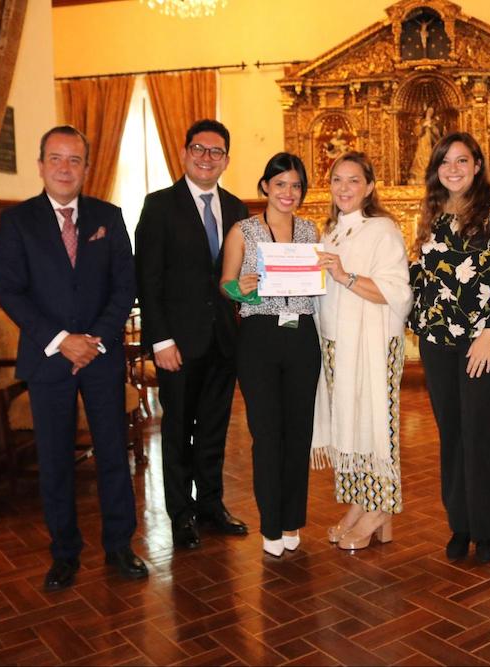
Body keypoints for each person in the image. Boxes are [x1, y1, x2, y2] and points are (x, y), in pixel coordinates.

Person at [0, 126, 147, 591]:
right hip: (47, 360)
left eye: (74, 159)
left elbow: (125, 286)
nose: (65, 167)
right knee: (56, 460)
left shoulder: (109, 216)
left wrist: (94, 339)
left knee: (113, 458)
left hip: (100, 357)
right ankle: (64, 554)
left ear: (86, 167)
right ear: (41, 165)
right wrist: (63, 340)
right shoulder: (17, 222)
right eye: (56, 158)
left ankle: (120, 546)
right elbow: (12, 293)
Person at [409, 132, 490, 564]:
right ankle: (459, 524)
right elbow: (422, 276)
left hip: (486, 341)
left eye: (462, 160)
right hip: (438, 340)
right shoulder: (434, 214)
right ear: (437, 168)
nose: (453, 168)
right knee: (451, 433)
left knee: (479, 431)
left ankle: (485, 529)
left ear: (477, 165)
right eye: (445, 162)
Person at [135, 119, 249, 550]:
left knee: (215, 429)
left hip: (224, 341)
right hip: (177, 346)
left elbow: (243, 276)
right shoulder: (159, 206)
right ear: (184, 153)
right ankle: (181, 514)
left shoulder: (237, 209)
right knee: (179, 429)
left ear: (226, 161)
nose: (206, 157)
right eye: (198, 149)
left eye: (215, 151)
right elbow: (148, 279)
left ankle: (212, 506)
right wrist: (160, 341)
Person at [220, 152, 321, 558]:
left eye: (296, 185)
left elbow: (318, 281)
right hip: (259, 338)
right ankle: (271, 524)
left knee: (299, 433)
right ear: (265, 187)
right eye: (280, 184)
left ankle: (293, 518)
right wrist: (241, 288)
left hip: (301, 335)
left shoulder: (311, 231)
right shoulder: (244, 230)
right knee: (267, 435)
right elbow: (225, 284)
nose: (288, 192)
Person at [312, 152, 412, 551]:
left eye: (353, 180)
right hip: (336, 345)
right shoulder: (331, 232)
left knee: (375, 425)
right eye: (337, 179)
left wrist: (344, 275)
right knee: (348, 426)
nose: (344, 188)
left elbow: (398, 293)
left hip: (373, 345)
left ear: (369, 187)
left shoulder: (381, 229)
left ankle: (380, 508)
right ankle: (359, 503)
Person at [409, 105, 442, 184]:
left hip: (431, 144)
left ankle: (431, 176)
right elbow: (417, 132)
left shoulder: (434, 122)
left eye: (432, 111)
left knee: (431, 158)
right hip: (422, 143)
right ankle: (419, 177)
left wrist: (431, 127)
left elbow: (438, 135)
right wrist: (423, 126)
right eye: (429, 111)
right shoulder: (421, 122)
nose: (430, 113)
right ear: (426, 111)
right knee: (420, 157)